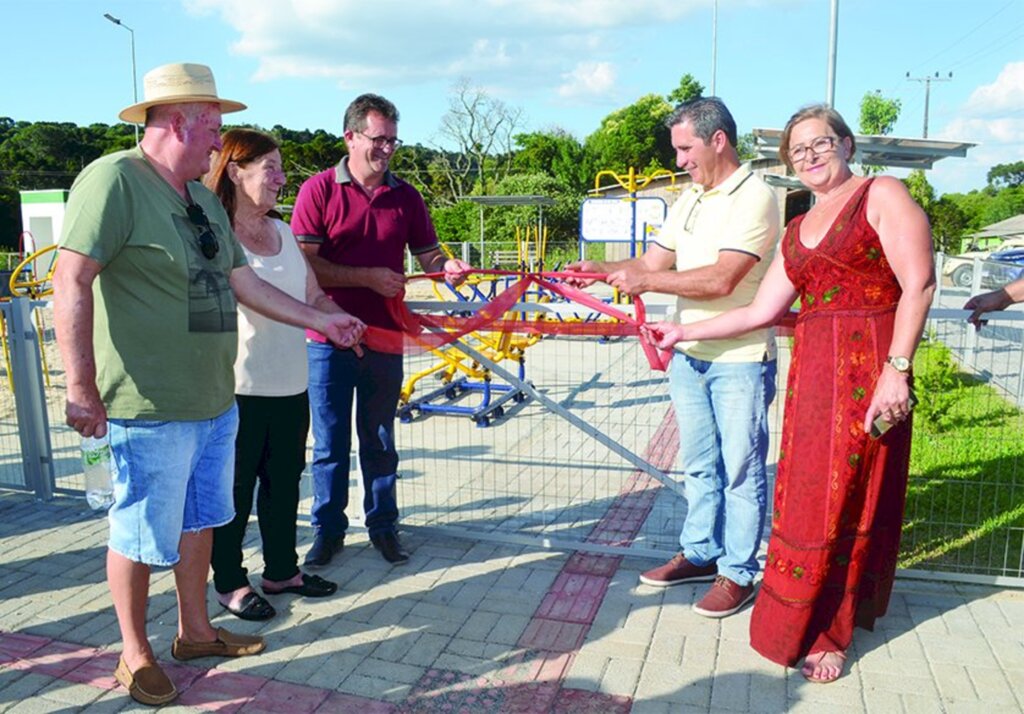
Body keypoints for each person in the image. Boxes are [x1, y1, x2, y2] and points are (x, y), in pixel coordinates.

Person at [53, 63, 364, 706]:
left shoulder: (199, 199)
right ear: (175, 122)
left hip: (214, 399)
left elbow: (242, 282)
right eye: (214, 130)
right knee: (138, 532)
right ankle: (133, 653)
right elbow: (71, 280)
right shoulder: (114, 181)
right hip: (147, 402)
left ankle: (195, 631)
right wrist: (79, 385)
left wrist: (321, 320)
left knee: (202, 522)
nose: (220, 144)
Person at [647, 104, 934, 683]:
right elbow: (760, 309)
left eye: (820, 144)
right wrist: (684, 330)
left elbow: (919, 283)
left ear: (847, 145)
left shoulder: (882, 194)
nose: (808, 157)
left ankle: (834, 629)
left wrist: (896, 369)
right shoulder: (799, 223)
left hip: (871, 364)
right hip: (815, 375)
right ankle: (797, 617)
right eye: (797, 151)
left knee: (855, 495)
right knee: (808, 497)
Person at [566, 97, 781, 619]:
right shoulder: (691, 198)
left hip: (740, 359)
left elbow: (720, 278)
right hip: (690, 355)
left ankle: (738, 572)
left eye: (686, 148)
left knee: (741, 470)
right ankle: (702, 553)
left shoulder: (756, 197)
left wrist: (646, 279)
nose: (680, 159)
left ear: (718, 141)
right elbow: (651, 262)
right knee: (700, 466)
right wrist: (601, 267)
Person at [292, 93, 471, 568]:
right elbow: (304, 268)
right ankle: (327, 532)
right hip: (328, 338)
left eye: (393, 139)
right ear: (350, 136)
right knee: (330, 443)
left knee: (380, 438)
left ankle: (384, 528)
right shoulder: (318, 191)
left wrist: (446, 266)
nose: (387, 148)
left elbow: (428, 253)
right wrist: (367, 277)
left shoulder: (406, 196)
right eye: (378, 139)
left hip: (386, 337)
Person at [205, 129, 358, 621]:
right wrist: (322, 320)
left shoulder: (285, 232)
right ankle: (229, 582)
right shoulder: (216, 234)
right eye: (269, 167)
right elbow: (246, 296)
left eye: (280, 167)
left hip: (291, 384)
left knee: (284, 482)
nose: (281, 178)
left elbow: (312, 295)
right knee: (234, 492)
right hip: (238, 388)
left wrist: (338, 318)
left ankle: (281, 571)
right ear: (235, 171)